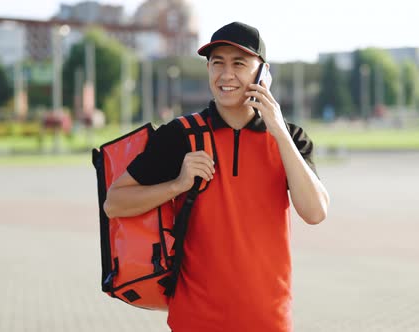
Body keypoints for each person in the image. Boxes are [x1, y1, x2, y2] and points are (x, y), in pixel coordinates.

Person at [104, 21, 329, 332]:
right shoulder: (180, 135)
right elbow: (114, 203)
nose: (226, 75)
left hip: (268, 320)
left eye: (239, 63)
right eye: (217, 63)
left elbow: (315, 212)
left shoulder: (289, 138)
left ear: (263, 72)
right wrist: (177, 185)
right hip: (194, 320)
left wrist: (278, 130)